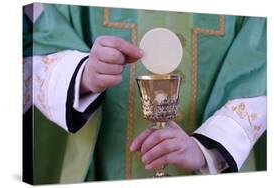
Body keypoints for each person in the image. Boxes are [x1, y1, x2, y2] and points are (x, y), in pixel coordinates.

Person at [23, 3, 267, 185]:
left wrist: (205, 149)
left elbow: (261, 59)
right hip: (104, 166)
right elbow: (40, 37)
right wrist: (83, 75)